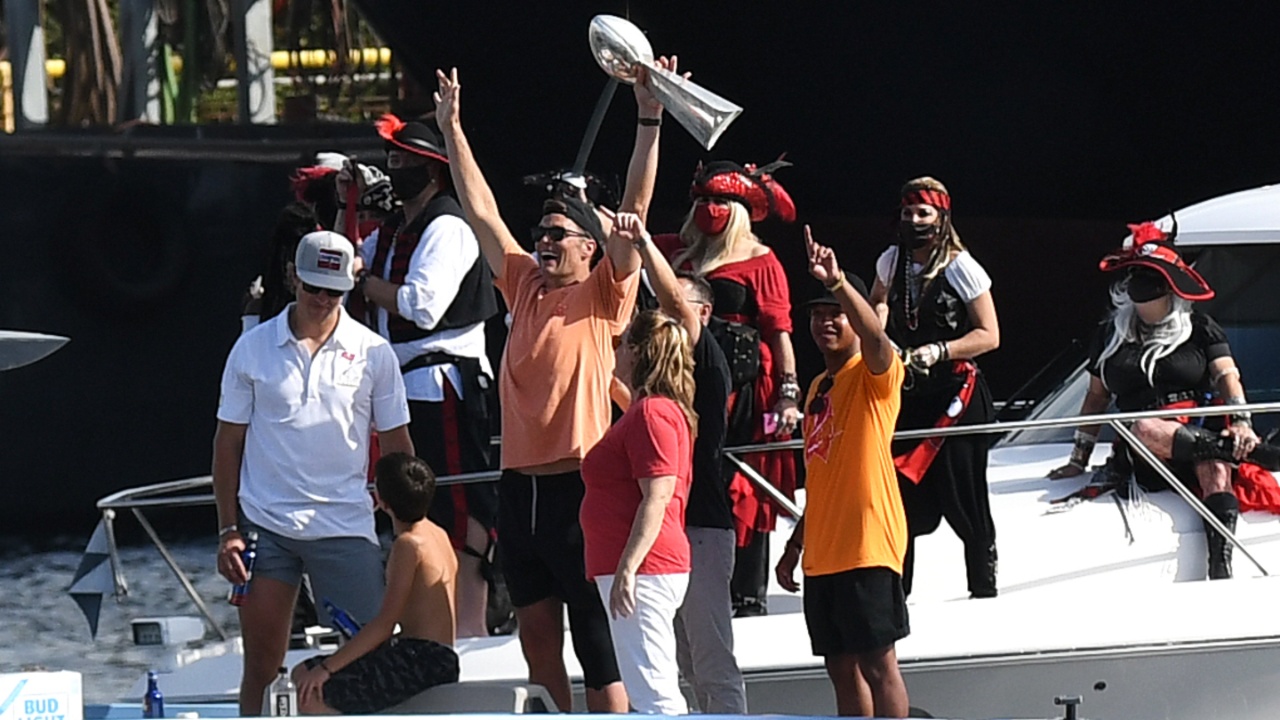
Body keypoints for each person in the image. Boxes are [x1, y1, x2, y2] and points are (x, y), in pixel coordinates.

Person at [433, 61, 674, 711]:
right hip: (519, 488)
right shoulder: (524, 286)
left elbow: (634, 210)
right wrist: (453, 129)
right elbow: (482, 211)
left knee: (596, 642)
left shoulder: (604, 293)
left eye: (557, 233)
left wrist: (647, 119)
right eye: (539, 231)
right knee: (536, 635)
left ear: (588, 247)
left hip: (579, 484)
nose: (542, 240)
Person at [213, 230, 414, 715]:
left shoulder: (374, 353)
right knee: (261, 665)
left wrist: (410, 526)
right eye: (312, 287)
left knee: (370, 658)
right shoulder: (251, 349)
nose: (322, 299)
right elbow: (228, 442)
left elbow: (397, 446)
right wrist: (227, 530)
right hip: (266, 527)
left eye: (334, 290)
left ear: (348, 287)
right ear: (293, 280)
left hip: (345, 523)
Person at [1048, 220, 1280, 579]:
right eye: (1136, 278)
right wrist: (1078, 459)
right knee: (1144, 425)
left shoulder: (1200, 328)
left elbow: (1227, 376)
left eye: (1151, 281)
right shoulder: (1111, 335)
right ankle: (1248, 452)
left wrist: (1243, 423)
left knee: (1216, 471)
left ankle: (1221, 567)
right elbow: (1096, 398)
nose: (1139, 290)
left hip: (1197, 429)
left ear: (1170, 289)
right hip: (1145, 445)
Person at [346, 114, 501, 639]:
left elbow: (421, 305)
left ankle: (470, 622)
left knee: (459, 501)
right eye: (392, 160)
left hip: (444, 387)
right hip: (400, 389)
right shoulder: (394, 228)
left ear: (431, 171)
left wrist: (368, 284)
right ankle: (425, 617)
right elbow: (352, 264)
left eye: (406, 161)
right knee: (413, 503)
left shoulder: (448, 227)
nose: (397, 168)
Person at [653, 159, 800, 617]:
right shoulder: (676, 253)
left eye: (720, 201)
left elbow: (779, 331)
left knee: (741, 481)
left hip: (744, 388)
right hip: (680, 382)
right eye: (703, 200)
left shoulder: (761, 260)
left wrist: (789, 392)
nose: (709, 209)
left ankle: (746, 592)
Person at [776, 228, 910, 718]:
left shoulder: (874, 375)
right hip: (824, 551)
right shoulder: (816, 387)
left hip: (867, 543)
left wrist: (838, 284)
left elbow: (877, 338)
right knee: (838, 666)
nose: (825, 321)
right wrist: (795, 546)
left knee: (878, 661)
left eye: (834, 313)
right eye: (816, 313)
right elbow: (820, 477)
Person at [619, 212, 747, 712]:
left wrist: (645, 243)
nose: (663, 319)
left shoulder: (708, 362)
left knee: (712, 663)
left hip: (701, 525)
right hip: (667, 532)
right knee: (683, 667)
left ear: (704, 314)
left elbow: (675, 302)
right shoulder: (651, 390)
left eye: (675, 310)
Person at [868, 176, 1001, 599]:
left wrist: (940, 350)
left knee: (966, 498)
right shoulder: (891, 262)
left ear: (941, 218)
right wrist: (880, 331)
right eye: (907, 213)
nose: (913, 221)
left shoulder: (962, 267)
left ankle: (983, 588)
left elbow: (990, 334)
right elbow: (878, 305)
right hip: (910, 396)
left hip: (956, 396)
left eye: (922, 213)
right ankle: (895, 597)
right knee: (899, 497)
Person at [580, 306, 697, 715]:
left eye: (623, 341)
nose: (617, 348)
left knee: (653, 690)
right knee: (647, 682)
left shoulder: (652, 414)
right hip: (638, 565)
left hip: (644, 567)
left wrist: (629, 566)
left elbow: (658, 494)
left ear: (637, 351)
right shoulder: (648, 411)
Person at [292, 452, 460, 714]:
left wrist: (327, 668)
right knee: (303, 670)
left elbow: (385, 623)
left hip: (420, 659)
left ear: (381, 500)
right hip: (439, 657)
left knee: (310, 688)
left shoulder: (408, 545)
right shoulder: (438, 534)